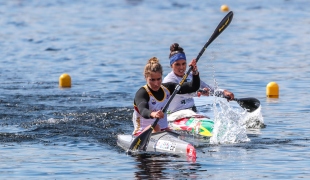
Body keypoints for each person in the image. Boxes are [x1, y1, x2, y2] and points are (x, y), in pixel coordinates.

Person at [162, 43, 235, 136]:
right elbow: (183, 92)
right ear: (171, 65)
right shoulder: (169, 80)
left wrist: (223, 92)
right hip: (175, 116)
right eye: (177, 64)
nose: (181, 67)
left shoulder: (190, 75)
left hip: (192, 113)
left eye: (183, 64)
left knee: (217, 127)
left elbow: (209, 88)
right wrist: (199, 92)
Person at [132, 56, 201, 136]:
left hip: (163, 130)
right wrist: (153, 114)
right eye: (152, 80)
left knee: (182, 137)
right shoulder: (142, 93)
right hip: (142, 133)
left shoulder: (167, 88)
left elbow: (193, 87)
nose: (156, 83)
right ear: (146, 78)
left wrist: (195, 72)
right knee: (155, 127)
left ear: (162, 76)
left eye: (158, 79)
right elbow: (143, 110)